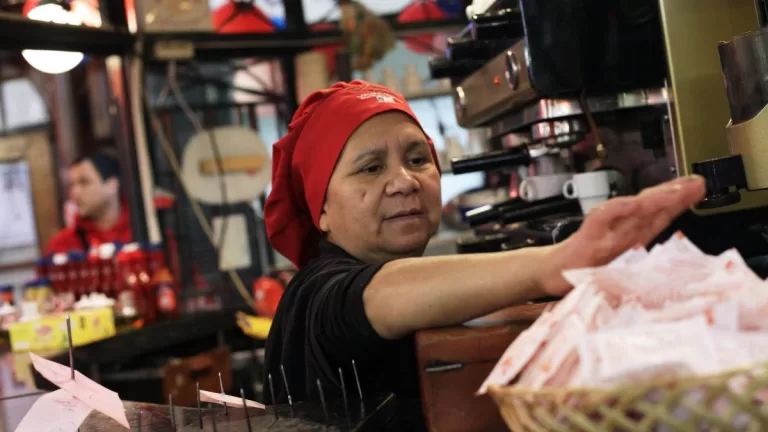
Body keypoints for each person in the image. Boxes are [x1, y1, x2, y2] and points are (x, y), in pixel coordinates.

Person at [262, 81, 705, 409]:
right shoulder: (314, 295)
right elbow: (376, 295)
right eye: (371, 168)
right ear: (320, 209)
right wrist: (554, 262)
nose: (404, 182)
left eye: (418, 160)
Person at [46, 149, 132, 254]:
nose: (74, 193)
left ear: (112, 185)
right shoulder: (62, 246)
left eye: (84, 182)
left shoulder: (142, 230)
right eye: (72, 185)